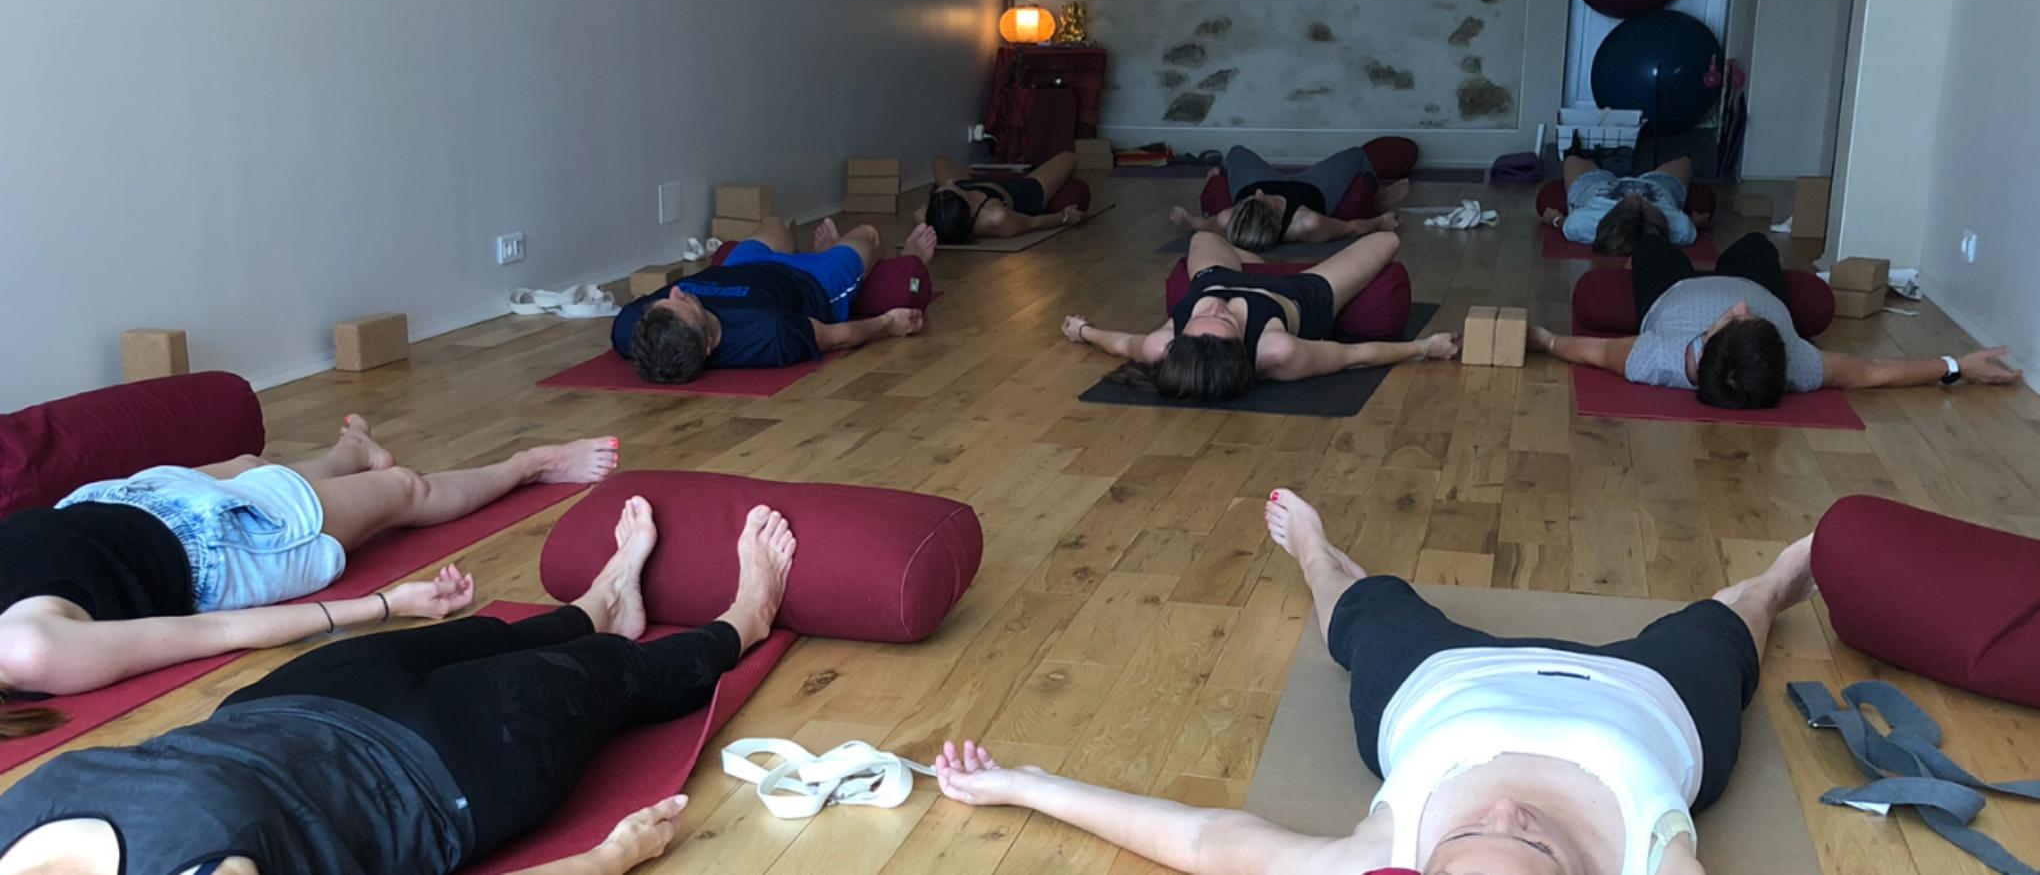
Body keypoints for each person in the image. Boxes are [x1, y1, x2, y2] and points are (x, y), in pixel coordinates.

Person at [931, 487, 1821, 875]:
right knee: (1729, 623)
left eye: (1466, 834)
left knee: (1362, 611)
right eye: (1537, 843)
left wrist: (1025, 786)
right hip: (1644, 695)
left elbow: (1203, 843)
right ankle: (1778, 580)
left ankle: (1320, 556)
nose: (1503, 809)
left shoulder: (1374, 861)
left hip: (1447, 685)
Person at [0, 495, 796, 875]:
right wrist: (601, 863)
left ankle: (600, 604)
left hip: (273, 714)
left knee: (492, 634)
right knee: (616, 675)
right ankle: (745, 618)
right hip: (429, 774)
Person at [0, 418, 619, 727]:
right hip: (223, 546)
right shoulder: (32, 651)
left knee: (250, 463)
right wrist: (386, 604)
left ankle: (351, 452)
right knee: (404, 490)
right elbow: (218, 631)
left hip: (113, 503)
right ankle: (530, 466)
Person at [1534, 232, 2023, 408]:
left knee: (1652, 246)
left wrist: (1538, 338)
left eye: (1733, 320)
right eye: (1748, 319)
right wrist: (1958, 365)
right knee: (1754, 244)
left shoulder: (1656, 359)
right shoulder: (1799, 365)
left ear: (1705, 345)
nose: (1740, 309)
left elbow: (1590, 349)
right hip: (1759, 281)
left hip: (1673, 291)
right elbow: (1875, 372)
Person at [1063, 231, 1458, 402]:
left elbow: (1122, 343)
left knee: (1202, 238)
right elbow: (1352, 356)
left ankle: (1258, 265)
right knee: (1388, 240)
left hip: (1216, 277)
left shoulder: (1161, 347)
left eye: (1203, 315)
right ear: (1242, 348)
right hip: (1300, 294)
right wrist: (1425, 347)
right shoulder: (1277, 351)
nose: (1216, 307)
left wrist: (1084, 331)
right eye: (1225, 321)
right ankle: (1268, 271)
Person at [616, 217, 935, 384]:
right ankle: (910, 257)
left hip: (740, 265)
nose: (675, 292)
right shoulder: (769, 333)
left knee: (775, 223)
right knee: (868, 233)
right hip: (813, 279)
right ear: (708, 345)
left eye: (668, 299)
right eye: (683, 302)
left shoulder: (631, 329)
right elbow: (838, 336)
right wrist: (888, 323)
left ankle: (822, 246)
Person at [1170, 144, 1407, 252]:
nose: (1258, 193)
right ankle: (1378, 198)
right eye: (1260, 198)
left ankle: (1216, 175)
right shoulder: (1307, 223)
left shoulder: (1228, 219)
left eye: (1250, 199)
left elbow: (1202, 225)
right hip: (1312, 186)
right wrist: (1379, 221)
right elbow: (1350, 228)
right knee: (1357, 155)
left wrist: (1185, 218)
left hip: (1257, 178)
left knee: (1236, 152)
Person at [1544, 152, 1708, 257]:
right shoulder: (1678, 228)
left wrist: (1555, 219)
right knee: (1685, 161)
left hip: (1595, 184)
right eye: (1644, 203)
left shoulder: (1586, 223)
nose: (1634, 194)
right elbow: (1690, 226)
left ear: (1612, 216)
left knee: (1572, 159)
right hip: (1659, 185)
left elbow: (1563, 223)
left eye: (1629, 202)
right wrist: (1696, 222)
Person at [919, 151, 1087, 243]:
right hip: (1018, 193)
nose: (949, 182)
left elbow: (919, 215)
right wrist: (1064, 217)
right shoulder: (996, 218)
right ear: (965, 205)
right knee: (1069, 158)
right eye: (951, 189)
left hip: (971, 185)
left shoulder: (934, 218)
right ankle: (1003, 176)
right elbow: (1032, 223)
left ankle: (984, 174)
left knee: (938, 160)